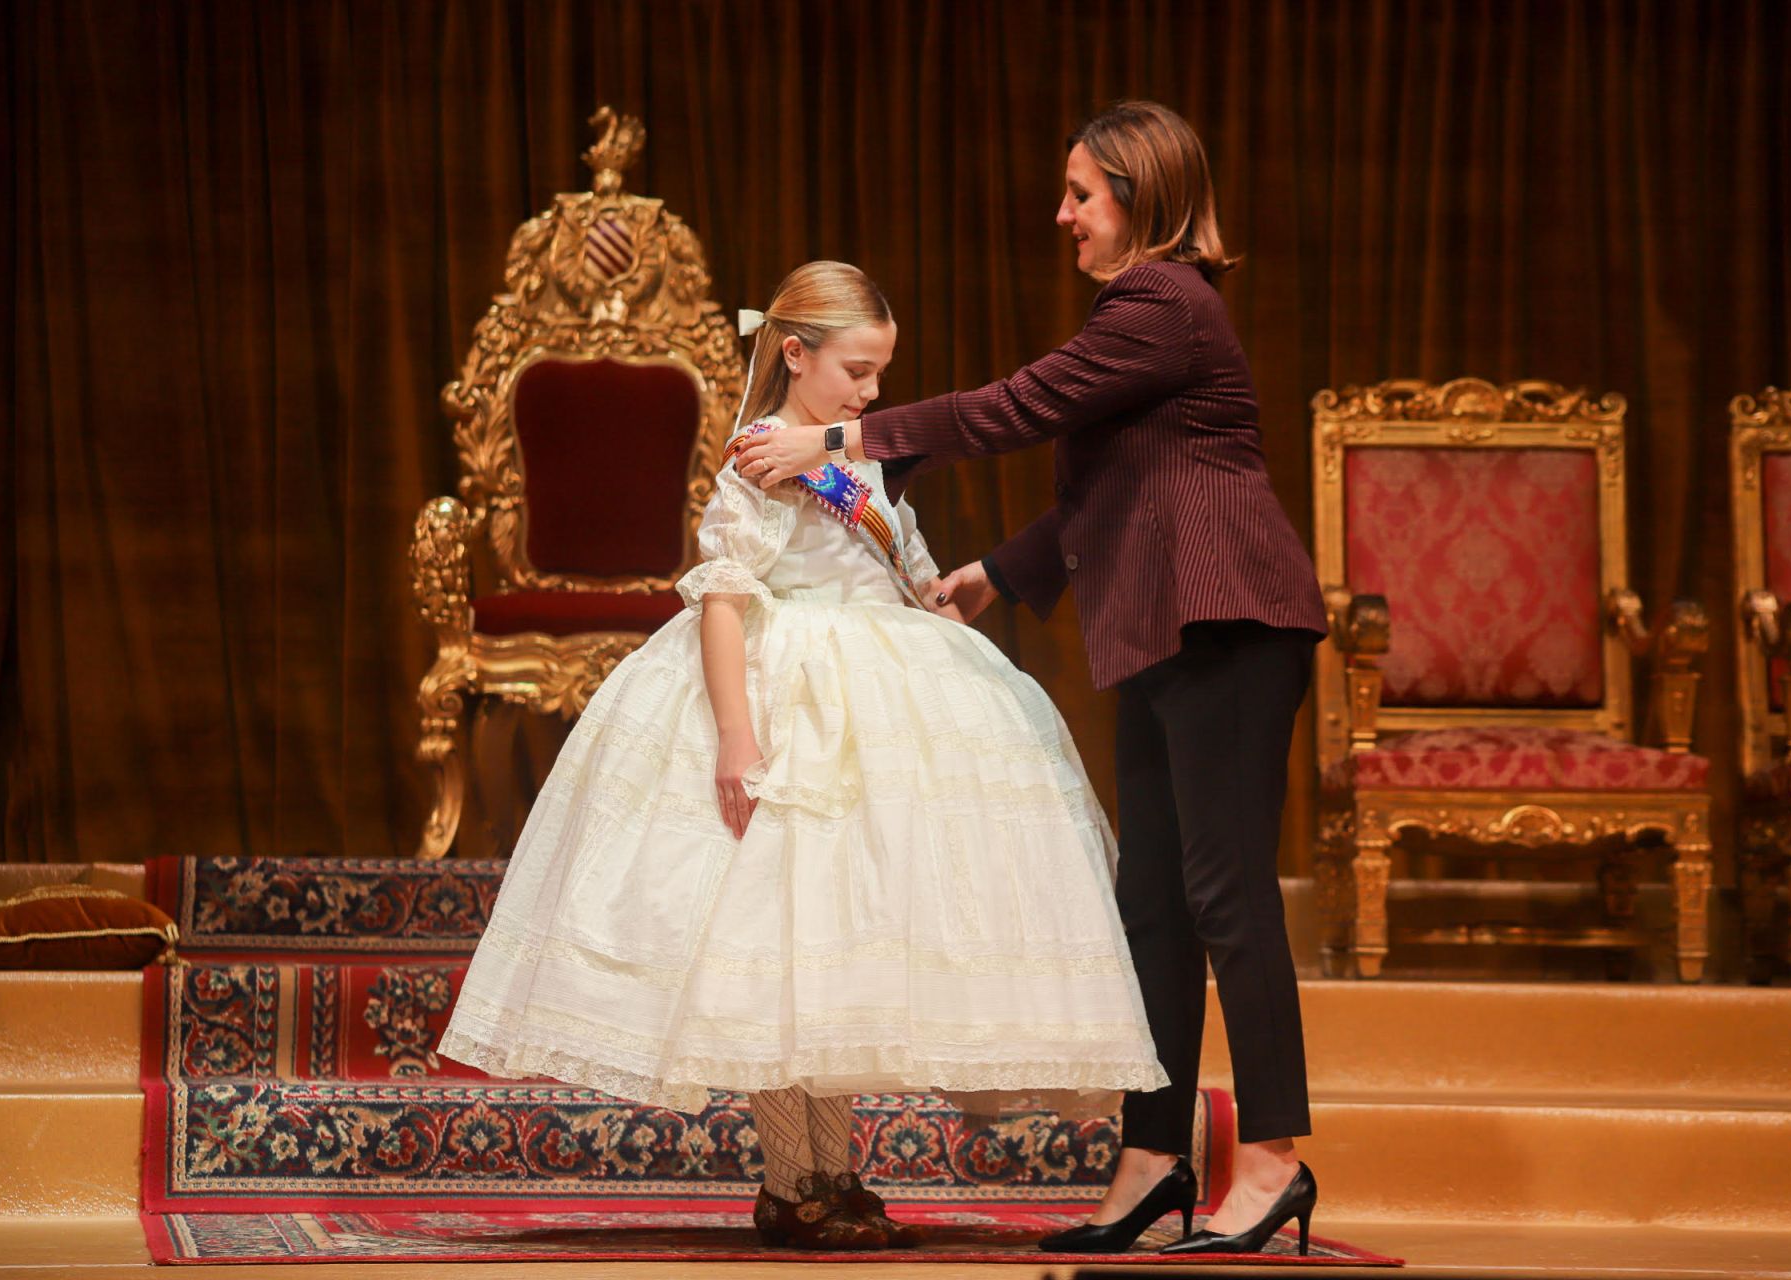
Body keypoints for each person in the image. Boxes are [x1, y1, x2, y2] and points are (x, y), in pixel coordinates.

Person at [438, 260, 1165, 1252]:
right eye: (857, 370)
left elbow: (896, 557)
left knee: (838, 936)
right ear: (795, 353)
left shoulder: (855, 453)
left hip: (879, 684)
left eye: (880, 374)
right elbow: (726, 594)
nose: (871, 393)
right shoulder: (761, 454)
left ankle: (835, 1170)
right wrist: (738, 735)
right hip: (788, 693)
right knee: (772, 939)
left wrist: (944, 592)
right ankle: (792, 1175)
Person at [736, 103, 1329, 1257]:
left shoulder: (1163, 301)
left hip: (1229, 626)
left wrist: (841, 442)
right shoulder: (1146, 315)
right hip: (1165, 628)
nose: (1063, 213)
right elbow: (1106, 489)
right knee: (1152, 905)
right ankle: (1154, 1160)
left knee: (1226, 897)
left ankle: (1271, 1160)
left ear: (1139, 196)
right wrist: (995, 576)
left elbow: (1013, 407)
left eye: (1081, 192)